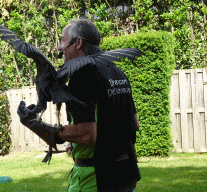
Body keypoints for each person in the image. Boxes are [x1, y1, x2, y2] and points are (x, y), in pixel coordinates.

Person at [17, 19, 141, 192]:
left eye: (62, 41)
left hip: (96, 179)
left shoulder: (82, 75)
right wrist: (75, 143)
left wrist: (41, 127)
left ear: (79, 43)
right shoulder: (116, 71)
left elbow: (88, 134)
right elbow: (134, 123)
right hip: (126, 173)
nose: (60, 47)